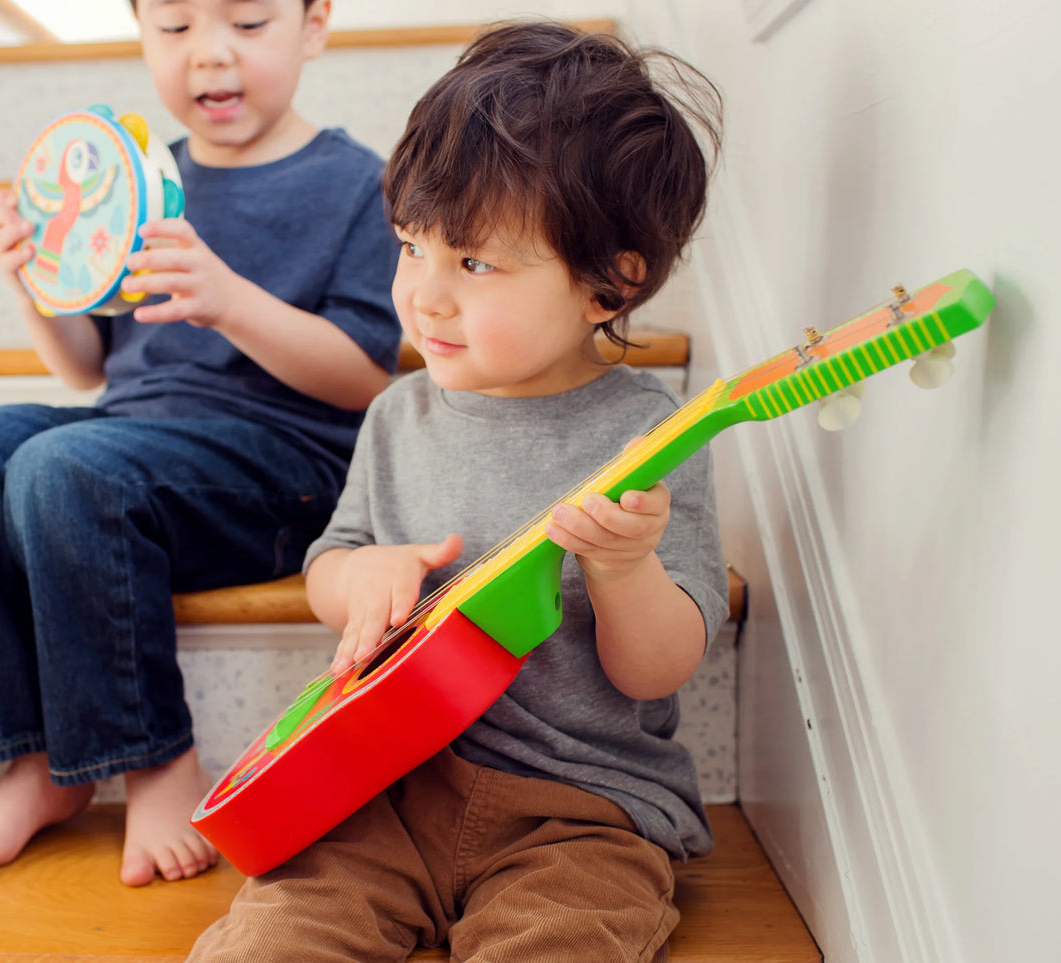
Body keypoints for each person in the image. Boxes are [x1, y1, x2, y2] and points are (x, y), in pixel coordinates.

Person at [188, 20, 727, 962]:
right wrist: (364, 577)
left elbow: (656, 670)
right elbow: (328, 566)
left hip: (578, 813)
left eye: (473, 263)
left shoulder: (648, 434)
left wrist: (625, 569)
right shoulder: (397, 415)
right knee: (268, 942)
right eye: (410, 248)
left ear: (609, 285)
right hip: (380, 791)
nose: (424, 296)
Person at [0, 0, 400, 887]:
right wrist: (31, 286)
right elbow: (89, 369)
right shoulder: (130, 178)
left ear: (313, 26)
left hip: (278, 466)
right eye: (173, 29)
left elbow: (369, 379)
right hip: (129, 444)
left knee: (65, 469)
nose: (209, 55)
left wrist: (228, 299)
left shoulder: (360, 185)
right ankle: (36, 760)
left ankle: (156, 758)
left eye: (247, 25)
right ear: (140, 34)